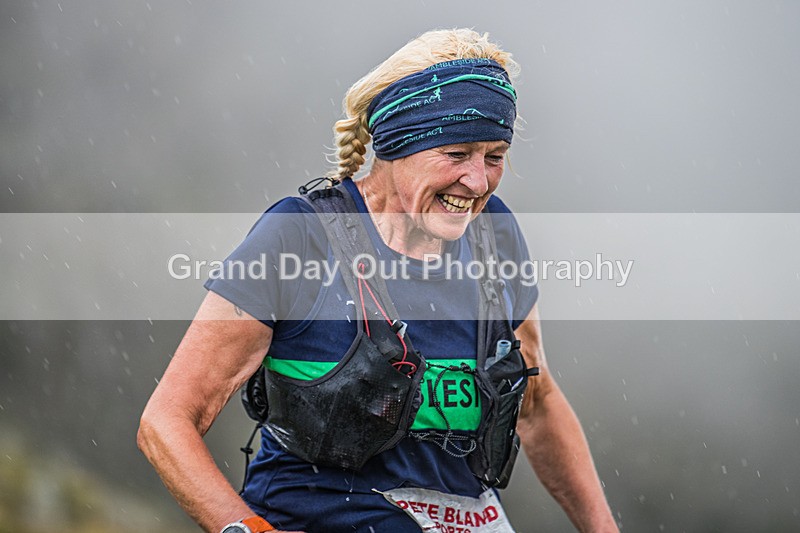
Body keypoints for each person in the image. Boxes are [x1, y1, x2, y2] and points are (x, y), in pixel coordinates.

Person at [138, 28, 618, 533]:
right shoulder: (299, 237)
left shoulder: (493, 237)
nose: (478, 182)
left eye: (494, 157)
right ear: (393, 146)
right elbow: (166, 422)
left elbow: (536, 407)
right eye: (456, 155)